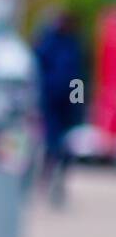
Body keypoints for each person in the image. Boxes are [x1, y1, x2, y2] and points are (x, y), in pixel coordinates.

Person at [33, 10, 84, 206]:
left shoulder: (73, 44)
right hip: (50, 100)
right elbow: (38, 69)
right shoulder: (48, 42)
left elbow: (79, 76)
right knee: (52, 140)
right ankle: (49, 174)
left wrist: (77, 101)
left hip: (68, 102)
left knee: (66, 142)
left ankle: (58, 176)